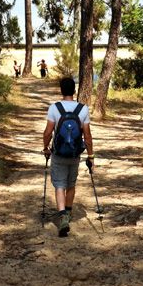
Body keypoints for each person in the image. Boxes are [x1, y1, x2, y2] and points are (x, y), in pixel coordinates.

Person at [42, 77, 94, 237]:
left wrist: (45, 148)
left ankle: (63, 215)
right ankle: (69, 212)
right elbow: (87, 135)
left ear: (61, 90)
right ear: (74, 90)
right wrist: (91, 155)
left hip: (58, 153)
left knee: (59, 185)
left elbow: (48, 132)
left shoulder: (54, 108)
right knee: (71, 184)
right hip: (74, 154)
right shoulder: (83, 109)